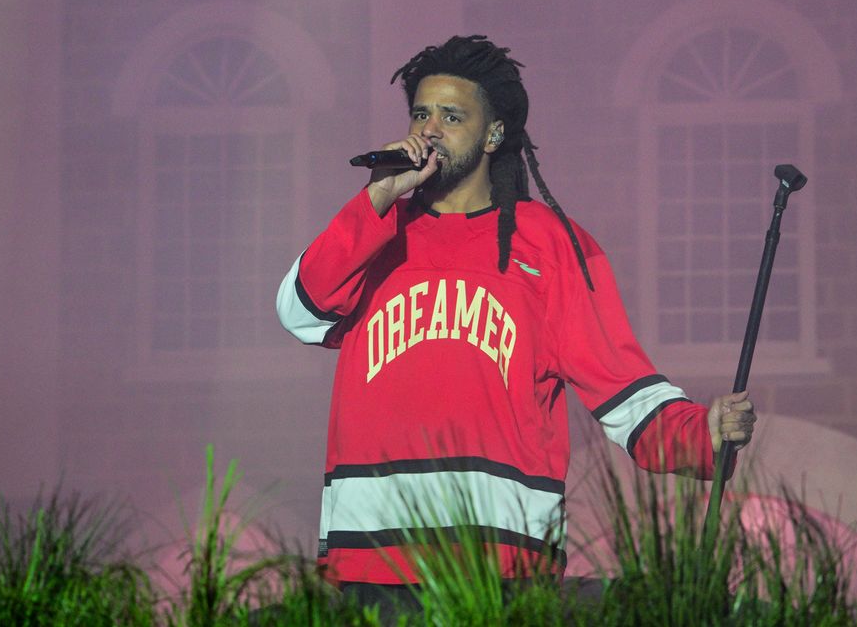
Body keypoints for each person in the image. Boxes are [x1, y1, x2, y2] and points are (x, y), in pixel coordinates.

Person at [276, 35, 755, 602]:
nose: (430, 129)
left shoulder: (550, 244)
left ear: (494, 134)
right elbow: (299, 312)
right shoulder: (377, 229)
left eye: (452, 116)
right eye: (421, 113)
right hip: (373, 556)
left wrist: (703, 434)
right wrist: (377, 198)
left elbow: (622, 388)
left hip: (501, 558)